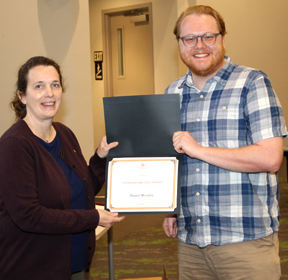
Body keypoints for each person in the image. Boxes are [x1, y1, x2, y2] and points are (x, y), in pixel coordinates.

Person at [162, 5, 287, 280]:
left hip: (245, 242)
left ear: (223, 39)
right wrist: (169, 208)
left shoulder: (253, 83)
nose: (199, 45)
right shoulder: (172, 92)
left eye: (208, 36)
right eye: (190, 39)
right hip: (191, 243)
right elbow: (171, 159)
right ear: (180, 45)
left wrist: (199, 150)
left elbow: (270, 158)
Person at [0, 56, 125, 280]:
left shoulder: (64, 134)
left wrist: (100, 157)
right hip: (34, 267)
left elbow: (81, 192)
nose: (49, 93)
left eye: (55, 85)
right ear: (22, 96)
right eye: (39, 86)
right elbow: (30, 216)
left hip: (74, 264)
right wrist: (92, 218)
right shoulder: (14, 145)